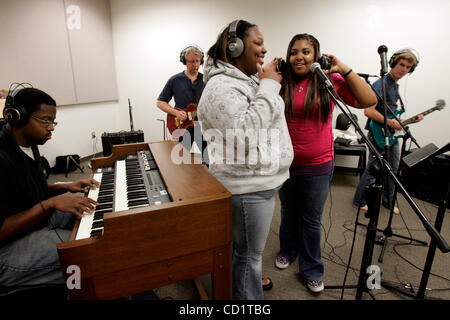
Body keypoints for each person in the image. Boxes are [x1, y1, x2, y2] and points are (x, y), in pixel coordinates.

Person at [197, 20, 293, 300]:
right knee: (248, 257)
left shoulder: (243, 81)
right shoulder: (220, 88)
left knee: (247, 254)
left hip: (257, 183)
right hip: (247, 187)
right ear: (234, 46)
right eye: (258, 43)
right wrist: (269, 87)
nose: (264, 50)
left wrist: (266, 85)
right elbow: (246, 135)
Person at [274, 34, 377, 293]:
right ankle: (288, 249)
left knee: (310, 219)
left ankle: (311, 269)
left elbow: (368, 101)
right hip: (284, 163)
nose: (299, 56)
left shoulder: (328, 80)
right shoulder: (281, 81)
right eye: (294, 52)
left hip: (318, 165)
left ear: (316, 56)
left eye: (306, 52)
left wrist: (344, 68)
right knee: (288, 211)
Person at [0, 86, 99, 289]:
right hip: (6, 250)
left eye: (53, 122)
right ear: (18, 116)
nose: (51, 127)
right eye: (45, 120)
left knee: (96, 214)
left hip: (34, 221)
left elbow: (27, 187)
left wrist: (66, 186)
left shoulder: (28, 143)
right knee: (89, 250)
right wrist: (50, 203)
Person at [352, 48, 423, 215]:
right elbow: (368, 111)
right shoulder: (381, 84)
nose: (403, 69)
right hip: (378, 133)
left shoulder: (394, 86)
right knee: (374, 168)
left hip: (390, 133)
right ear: (393, 63)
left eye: (407, 67)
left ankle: (388, 201)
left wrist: (406, 121)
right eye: (401, 64)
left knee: (393, 169)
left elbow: (389, 112)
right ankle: (359, 200)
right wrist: (391, 122)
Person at [156, 45, 206, 153]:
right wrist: (176, 113)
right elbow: (160, 102)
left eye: (197, 61)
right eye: (191, 61)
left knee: (205, 160)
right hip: (181, 126)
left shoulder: (206, 80)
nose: (195, 65)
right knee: (182, 161)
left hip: (201, 127)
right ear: (184, 61)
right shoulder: (175, 80)